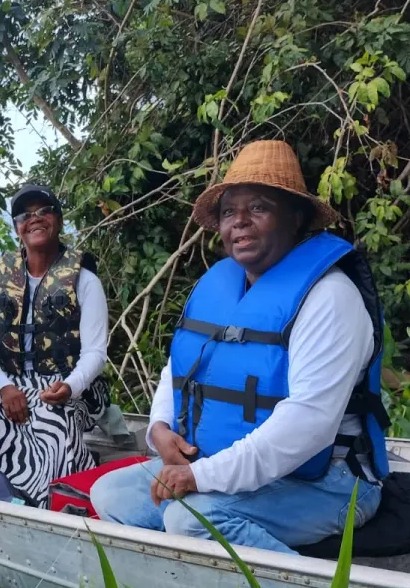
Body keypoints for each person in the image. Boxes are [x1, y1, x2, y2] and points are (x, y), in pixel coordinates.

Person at [89, 139, 391, 555]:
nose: (240, 222)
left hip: (329, 481)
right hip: (220, 462)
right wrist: (159, 427)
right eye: (229, 211)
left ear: (297, 218)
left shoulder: (330, 297)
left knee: (191, 519)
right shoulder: (220, 286)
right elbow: (179, 369)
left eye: (259, 208)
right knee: (111, 494)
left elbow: (309, 424)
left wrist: (201, 477)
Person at [0, 185, 110, 507]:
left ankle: (50, 504)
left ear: (58, 220)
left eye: (44, 211)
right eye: (25, 215)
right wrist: (4, 388)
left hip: (69, 385)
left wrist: (70, 386)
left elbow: (95, 352)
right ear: (17, 227)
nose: (34, 219)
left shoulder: (85, 280)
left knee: (51, 418)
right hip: (11, 383)